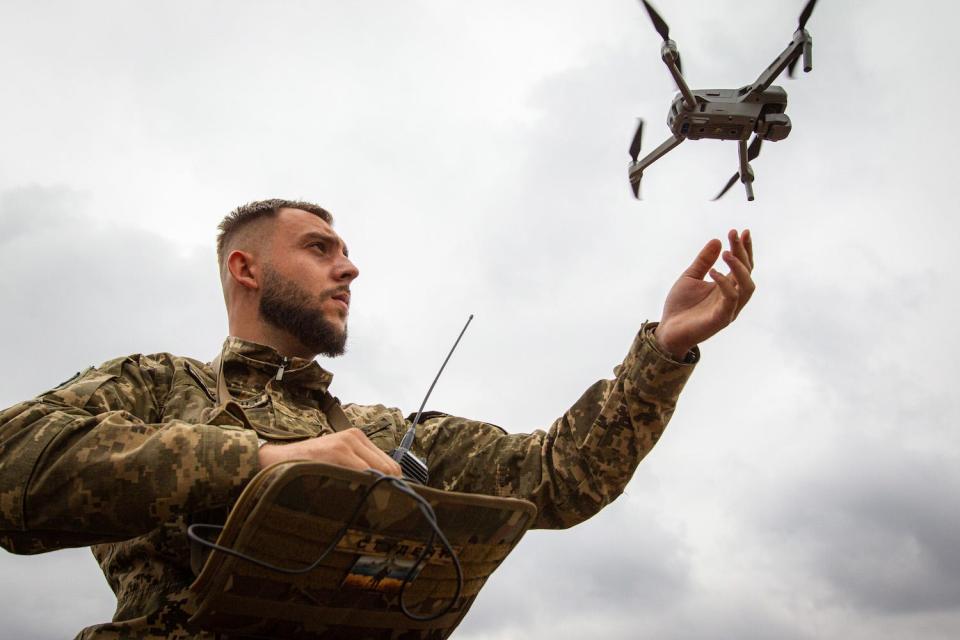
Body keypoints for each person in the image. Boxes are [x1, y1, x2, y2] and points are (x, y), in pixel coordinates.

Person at [0, 199, 755, 638]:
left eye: (347, 252)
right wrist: (259, 463)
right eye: (320, 248)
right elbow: (12, 465)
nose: (350, 268)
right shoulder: (159, 387)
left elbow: (557, 478)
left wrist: (661, 352)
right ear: (246, 268)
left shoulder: (387, 435)